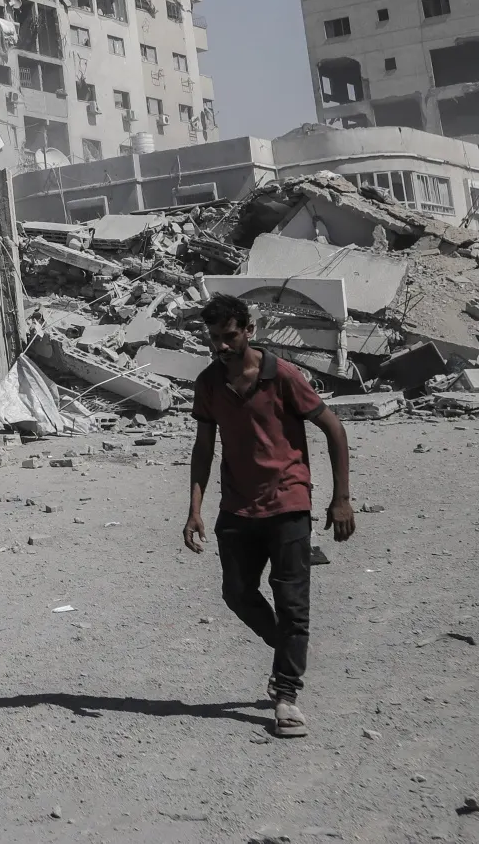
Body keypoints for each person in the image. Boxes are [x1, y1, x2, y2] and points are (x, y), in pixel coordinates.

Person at [183, 293, 355, 738]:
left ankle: (286, 696)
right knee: (237, 593)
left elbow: (333, 428)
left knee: (292, 603)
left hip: (288, 502)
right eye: (214, 338)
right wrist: (195, 508)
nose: (221, 346)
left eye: (230, 336)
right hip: (237, 506)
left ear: (249, 330)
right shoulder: (208, 383)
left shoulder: (283, 376)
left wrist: (341, 500)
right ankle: (290, 648)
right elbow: (204, 447)